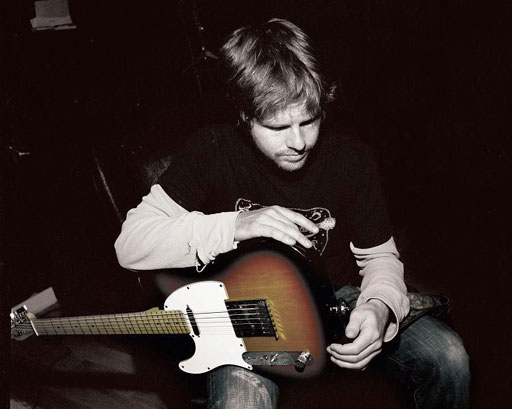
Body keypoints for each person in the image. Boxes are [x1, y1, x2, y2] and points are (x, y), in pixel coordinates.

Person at [115, 18, 470, 409]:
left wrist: (379, 306)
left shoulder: (351, 158)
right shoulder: (210, 150)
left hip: (339, 297)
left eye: (309, 120)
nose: (299, 141)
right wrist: (236, 224)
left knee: (449, 357)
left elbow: (380, 257)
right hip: (248, 319)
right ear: (244, 115)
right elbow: (130, 245)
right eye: (278, 126)